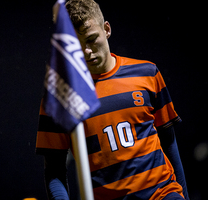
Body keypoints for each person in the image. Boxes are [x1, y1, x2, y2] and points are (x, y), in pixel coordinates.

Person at [36, 0, 189, 199]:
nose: (86, 51)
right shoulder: (61, 97)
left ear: (106, 29)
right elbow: (54, 172)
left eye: (91, 39)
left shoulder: (147, 73)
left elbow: (169, 142)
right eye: (77, 44)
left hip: (162, 194)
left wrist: (183, 196)